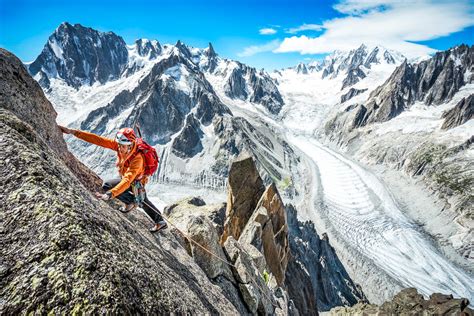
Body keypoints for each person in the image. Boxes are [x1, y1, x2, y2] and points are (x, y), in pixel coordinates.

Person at [59, 125, 168, 233]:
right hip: (128, 179)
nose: (119, 148)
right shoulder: (121, 146)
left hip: (135, 181)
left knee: (141, 199)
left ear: (130, 145)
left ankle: (158, 220)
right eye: (119, 145)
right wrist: (73, 132)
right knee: (116, 189)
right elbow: (99, 140)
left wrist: (110, 194)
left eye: (123, 146)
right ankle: (132, 204)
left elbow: (127, 180)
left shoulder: (137, 159)